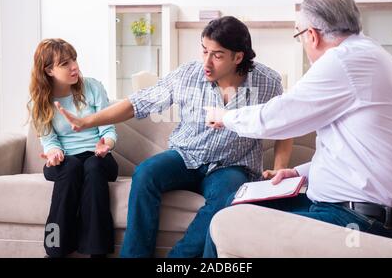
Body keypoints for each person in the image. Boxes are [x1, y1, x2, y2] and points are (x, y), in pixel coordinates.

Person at [203, 0, 392, 257]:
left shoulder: (343, 61)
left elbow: (278, 117)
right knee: (236, 201)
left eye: (299, 35)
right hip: (368, 211)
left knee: (229, 218)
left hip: (362, 222)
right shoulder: (373, 55)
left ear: (312, 35)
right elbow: (356, 150)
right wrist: (300, 172)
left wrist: (223, 116)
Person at [54, 16, 293, 258]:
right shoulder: (188, 75)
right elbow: (138, 103)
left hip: (231, 164)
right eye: (204, 51)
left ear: (238, 57)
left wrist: (279, 168)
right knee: (146, 173)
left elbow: (284, 125)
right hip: (185, 156)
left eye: (217, 55)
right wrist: (87, 121)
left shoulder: (267, 82)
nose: (207, 62)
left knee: (227, 196)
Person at [28, 38, 118, 258]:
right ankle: (55, 247)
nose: (74, 66)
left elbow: (108, 130)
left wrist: (106, 145)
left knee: (93, 167)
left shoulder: (93, 87)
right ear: (49, 70)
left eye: (74, 59)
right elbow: (49, 141)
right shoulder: (39, 102)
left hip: (98, 156)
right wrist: (53, 153)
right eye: (65, 63)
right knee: (72, 168)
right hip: (64, 161)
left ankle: (97, 251)